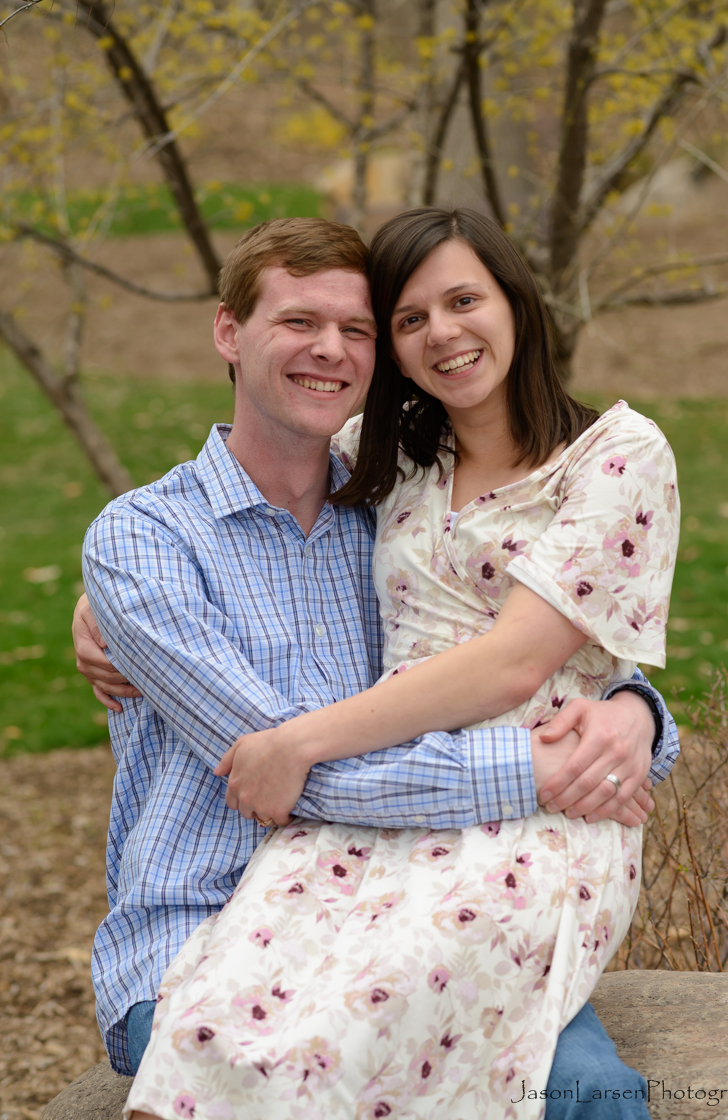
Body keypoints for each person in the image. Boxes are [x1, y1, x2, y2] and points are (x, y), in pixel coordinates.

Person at [74, 213, 678, 1119]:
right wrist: (538, 769)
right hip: (210, 918)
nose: (330, 350)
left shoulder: (379, 495)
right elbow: (296, 776)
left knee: (588, 1094)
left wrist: (636, 713)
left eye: (355, 328)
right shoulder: (154, 540)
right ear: (228, 331)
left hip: (433, 876)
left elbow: (514, 650)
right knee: (287, 1068)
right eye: (298, 321)